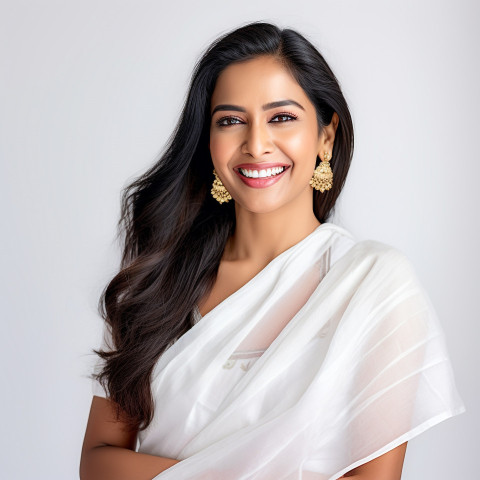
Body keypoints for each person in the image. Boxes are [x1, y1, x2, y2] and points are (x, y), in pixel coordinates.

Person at [80, 21, 466, 480]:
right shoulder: (155, 283)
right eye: (230, 120)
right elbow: (98, 459)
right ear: (208, 141)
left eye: (281, 117)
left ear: (326, 135)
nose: (256, 144)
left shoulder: (374, 284)